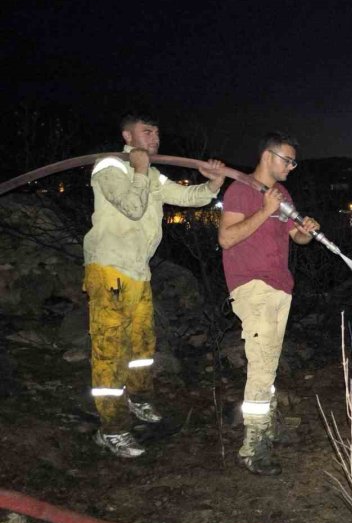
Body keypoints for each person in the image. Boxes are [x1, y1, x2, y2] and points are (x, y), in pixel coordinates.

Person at [84, 113, 226, 458]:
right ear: (127, 135)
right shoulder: (109, 167)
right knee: (110, 353)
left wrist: (213, 184)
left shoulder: (151, 174)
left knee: (142, 348)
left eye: (158, 133)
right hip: (108, 269)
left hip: (138, 273)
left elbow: (190, 197)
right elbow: (132, 208)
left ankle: (139, 400)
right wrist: (140, 170)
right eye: (147, 131)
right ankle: (112, 429)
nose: (155, 138)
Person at [218, 132, 319, 476]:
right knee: (261, 365)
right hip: (252, 286)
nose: (292, 167)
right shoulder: (240, 190)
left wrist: (305, 229)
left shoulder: (283, 194)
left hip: (280, 287)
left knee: (268, 362)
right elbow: (227, 238)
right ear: (267, 156)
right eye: (287, 160)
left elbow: (297, 238)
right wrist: (264, 211)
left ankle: (268, 428)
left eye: (294, 162)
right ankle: (253, 447)